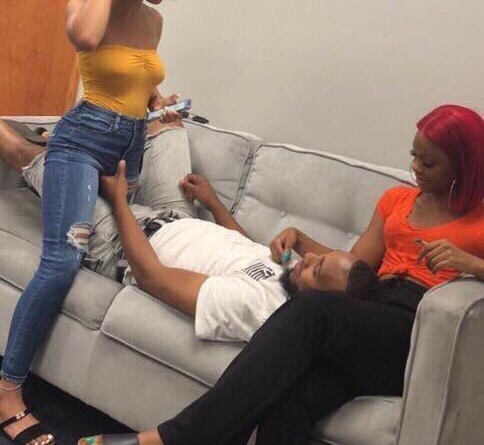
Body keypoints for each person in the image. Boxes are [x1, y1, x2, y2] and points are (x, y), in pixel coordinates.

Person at [77, 104, 484, 445]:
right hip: (369, 308)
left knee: (312, 311)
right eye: (413, 156)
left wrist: (472, 264)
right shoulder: (398, 201)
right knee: (291, 404)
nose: (415, 169)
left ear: (464, 163)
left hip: (418, 331)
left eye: (429, 162)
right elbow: (355, 267)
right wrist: (303, 243)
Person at [0, 0, 195, 445]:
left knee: (107, 246)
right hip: (83, 140)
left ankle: (26, 156)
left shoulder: (153, 22)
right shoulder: (85, 7)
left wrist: (158, 103)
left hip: (129, 146)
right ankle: (8, 388)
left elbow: (141, 78)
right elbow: (85, 41)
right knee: (62, 260)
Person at [0, 118, 377, 346]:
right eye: (319, 257)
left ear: (321, 306)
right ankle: (69, 136)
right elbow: (247, 249)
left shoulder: (254, 308)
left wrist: (118, 202)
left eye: (316, 269)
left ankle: (51, 147)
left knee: (38, 158)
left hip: (120, 244)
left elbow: (152, 276)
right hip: (180, 216)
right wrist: (213, 203)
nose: (307, 259)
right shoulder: (294, 275)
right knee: (168, 123)